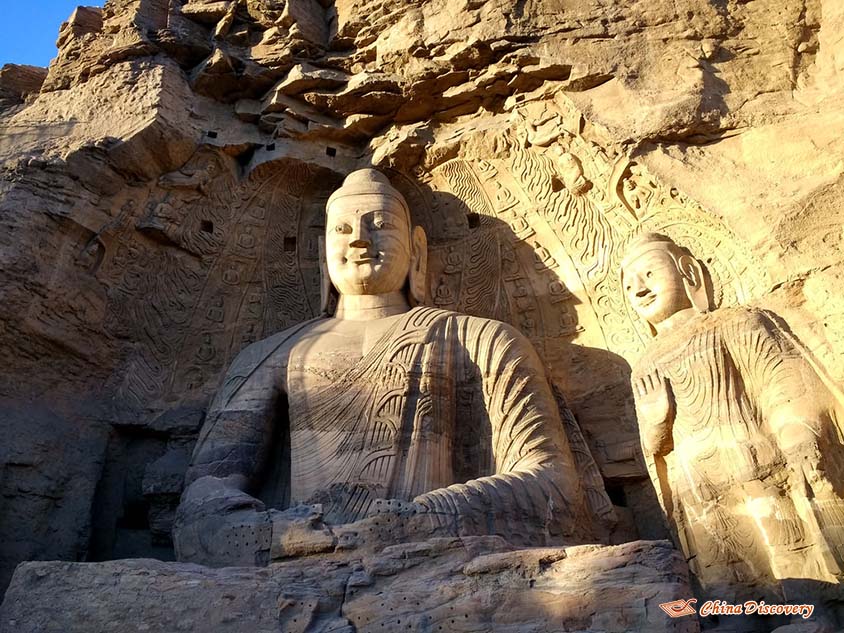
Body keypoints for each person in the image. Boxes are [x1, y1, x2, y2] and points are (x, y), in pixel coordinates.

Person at [174, 168, 610, 566]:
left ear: (417, 248)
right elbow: (201, 501)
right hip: (296, 561)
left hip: (438, 559)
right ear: (318, 251)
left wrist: (422, 518)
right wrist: (278, 534)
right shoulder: (272, 355)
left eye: (380, 225)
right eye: (342, 229)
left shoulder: (480, 339)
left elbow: (553, 487)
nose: (359, 240)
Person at [622, 232, 844, 621]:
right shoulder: (644, 365)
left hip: (758, 466)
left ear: (688, 272)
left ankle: (818, 616)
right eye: (628, 286)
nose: (638, 290)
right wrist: (656, 421)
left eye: (648, 273)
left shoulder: (733, 322)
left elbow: (780, 376)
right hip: (699, 492)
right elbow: (654, 448)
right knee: (726, 583)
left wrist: (794, 427)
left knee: (795, 560)